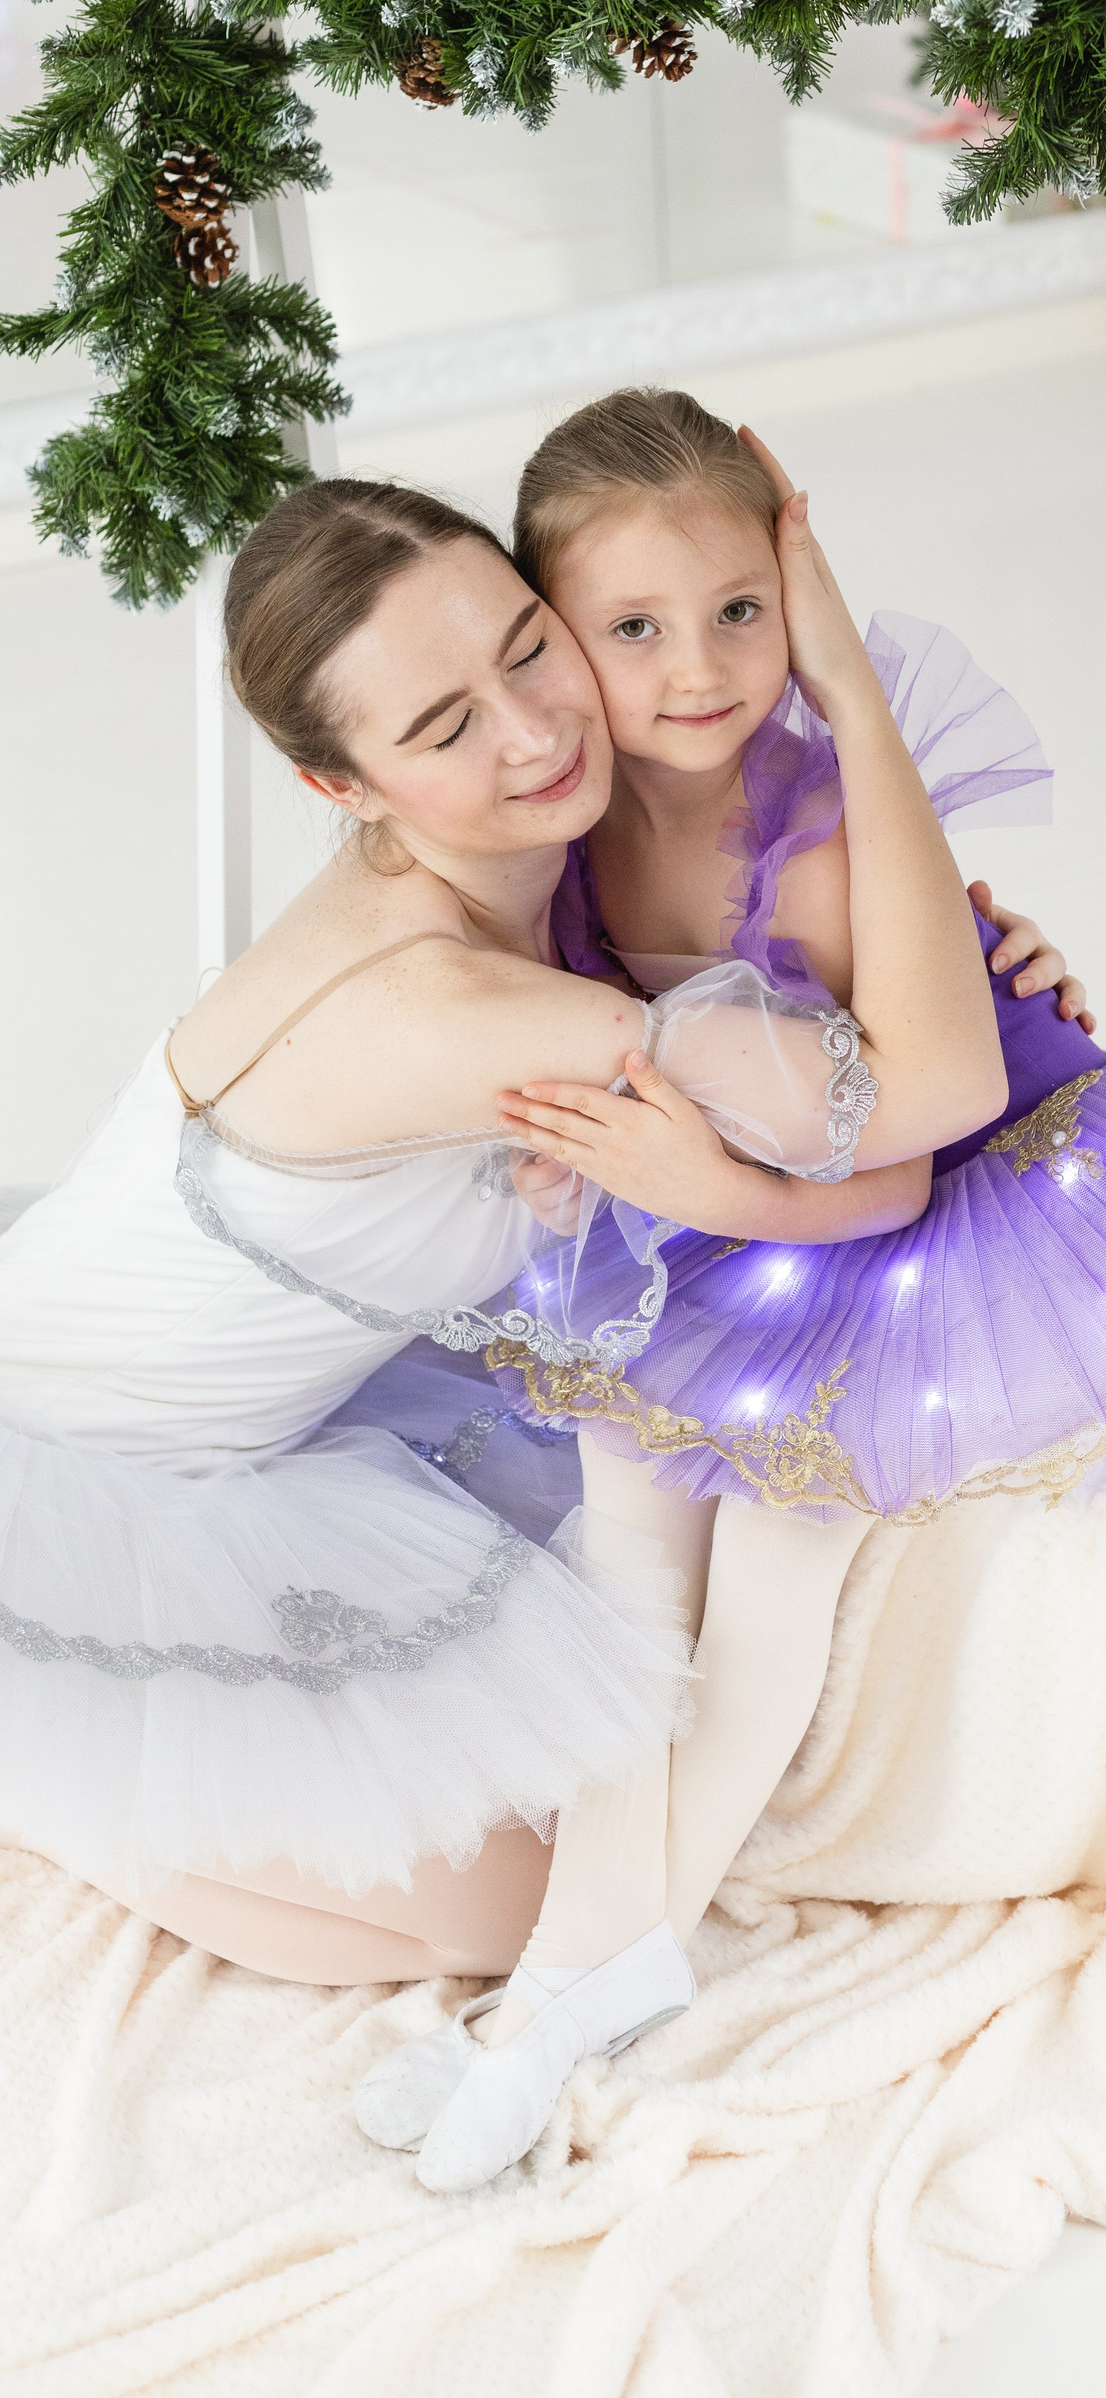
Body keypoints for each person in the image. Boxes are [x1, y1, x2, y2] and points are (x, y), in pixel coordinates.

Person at [358, 391, 1106, 2187]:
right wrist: (583, 1160)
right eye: (633, 629)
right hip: (722, 1203)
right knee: (628, 1582)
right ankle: (551, 1990)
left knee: (770, 1589)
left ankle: (572, 2008)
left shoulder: (827, 830)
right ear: (555, 641)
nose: (701, 670)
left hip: (917, 1210)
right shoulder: (559, 826)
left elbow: (909, 1149)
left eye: (742, 612)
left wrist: (840, 672)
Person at [0, 466, 1015, 2186]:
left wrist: (969, 934)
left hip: (209, 1421)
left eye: (531, 648)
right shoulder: (455, 1002)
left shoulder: (533, 874)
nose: (538, 731)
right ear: (344, 788)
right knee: (507, 1909)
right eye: (445, 723)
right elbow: (926, 1099)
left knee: (550, 1858)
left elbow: (788, 976)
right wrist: (860, 727)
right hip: (71, 1486)